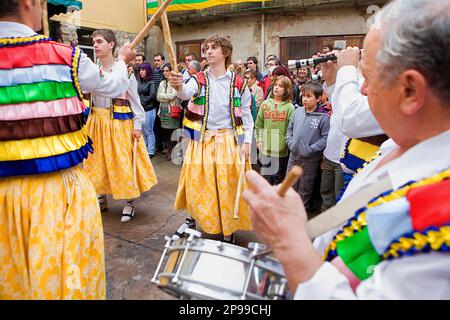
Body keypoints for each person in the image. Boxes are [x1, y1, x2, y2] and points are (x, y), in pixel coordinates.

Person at [244, 0, 450, 299]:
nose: (362, 89)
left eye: (366, 77)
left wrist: (288, 240)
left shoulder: (440, 214)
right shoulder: (406, 145)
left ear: (410, 91)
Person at [0, 0, 136, 299]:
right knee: (60, 279)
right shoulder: (66, 58)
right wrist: (125, 59)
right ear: (29, 3)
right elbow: (113, 86)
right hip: (54, 196)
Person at [169, 35, 254, 243]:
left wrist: (248, 143)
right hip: (202, 140)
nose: (208, 51)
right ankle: (191, 221)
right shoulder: (198, 79)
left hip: (229, 140)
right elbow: (184, 93)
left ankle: (228, 229)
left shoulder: (240, 84)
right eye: (206, 48)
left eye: (213, 47)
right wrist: (178, 86)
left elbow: (247, 115)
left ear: (225, 52)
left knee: (227, 187)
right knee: (196, 183)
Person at [83, 29, 158, 223]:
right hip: (95, 124)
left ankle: (129, 201)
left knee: (122, 163)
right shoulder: (92, 70)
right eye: (94, 42)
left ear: (111, 45)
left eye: (99, 41)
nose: (95, 45)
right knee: (96, 163)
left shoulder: (127, 71)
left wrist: (138, 125)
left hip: (119, 124)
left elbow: (135, 100)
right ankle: (101, 196)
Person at [285, 82, 330, 214]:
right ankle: (287, 209)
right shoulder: (297, 111)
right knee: (290, 182)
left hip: (310, 160)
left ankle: (300, 212)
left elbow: (325, 138)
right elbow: (290, 129)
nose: (305, 99)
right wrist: (291, 143)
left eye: (309, 96)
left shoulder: (323, 117)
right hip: (294, 155)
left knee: (306, 186)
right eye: (303, 95)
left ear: (318, 98)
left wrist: (310, 149)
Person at [255, 75, 295, 185]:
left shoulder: (289, 107)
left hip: (280, 151)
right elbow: (259, 124)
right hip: (265, 148)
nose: (276, 88)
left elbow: (290, 130)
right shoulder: (266, 104)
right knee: (265, 178)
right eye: (275, 85)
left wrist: (285, 144)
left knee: (278, 179)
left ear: (286, 90)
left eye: (280, 86)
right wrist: (259, 140)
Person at [157, 63, 182, 160]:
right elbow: (158, 97)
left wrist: (163, 97)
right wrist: (165, 98)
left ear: (171, 71)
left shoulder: (175, 82)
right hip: (163, 110)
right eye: (163, 71)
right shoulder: (162, 83)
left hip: (172, 110)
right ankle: (169, 150)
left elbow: (172, 96)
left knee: (173, 131)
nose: (165, 73)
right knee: (165, 132)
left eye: (167, 71)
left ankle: (173, 152)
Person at [137, 62, 158, 158]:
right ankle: (144, 149)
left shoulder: (151, 82)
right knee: (142, 131)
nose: (141, 72)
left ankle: (151, 151)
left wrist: (141, 101)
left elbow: (152, 95)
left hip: (149, 109)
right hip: (140, 109)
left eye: (143, 70)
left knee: (149, 131)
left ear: (148, 71)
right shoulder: (139, 81)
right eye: (140, 70)